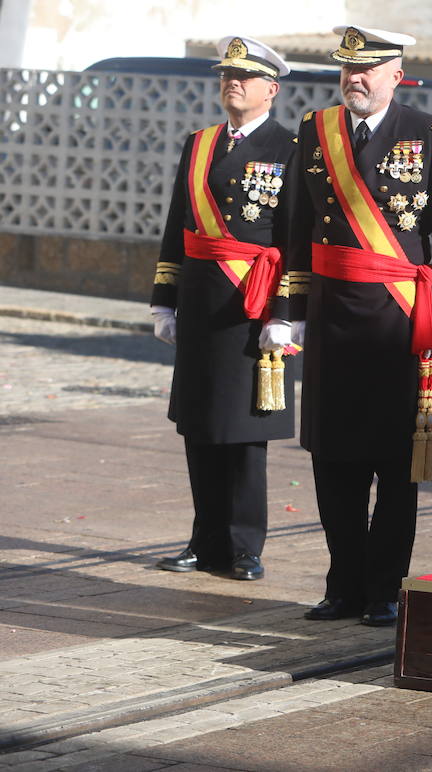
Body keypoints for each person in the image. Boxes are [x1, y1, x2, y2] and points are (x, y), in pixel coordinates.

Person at [287, 25, 432, 627]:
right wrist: (290, 314)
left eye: (367, 70)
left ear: (397, 74)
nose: (355, 80)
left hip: (398, 321)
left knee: (396, 464)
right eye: (348, 70)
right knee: (333, 459)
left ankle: (384, 587)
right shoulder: (316, 133)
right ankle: (342, 584)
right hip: (332, 319)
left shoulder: (429, 135)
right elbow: (294, 229)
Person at [150, 35, 296, 582]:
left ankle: (242, 545)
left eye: (245, 77)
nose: (232, 83)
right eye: (225, 76)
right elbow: (176, 227)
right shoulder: (200, 143)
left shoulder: (291, 146)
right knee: (199, 425)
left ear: (271, 90)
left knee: (241, 432)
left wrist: (283, 312)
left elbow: (294, 240)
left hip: (252, 306)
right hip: (200, 300)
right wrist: (164, 300)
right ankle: (204, 539)